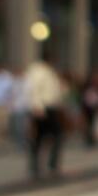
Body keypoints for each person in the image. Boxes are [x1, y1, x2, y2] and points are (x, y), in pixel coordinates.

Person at [24, 52, 65, 181]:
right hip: (42, 108)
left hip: (50, 107)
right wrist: (37, 107)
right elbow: (33, 90)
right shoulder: (38, 71)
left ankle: (44, 165)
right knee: (42, 137)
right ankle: (38, 165)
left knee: (45, 137)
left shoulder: (49, 72)